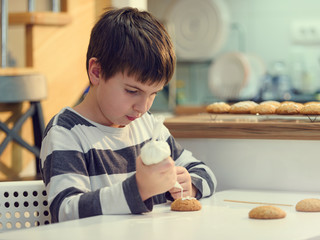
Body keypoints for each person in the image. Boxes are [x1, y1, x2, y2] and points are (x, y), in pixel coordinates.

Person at [40, 7, 217, 223]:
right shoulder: (66, 132)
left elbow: (205, 172)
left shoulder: (149, 127)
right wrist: (138, 190)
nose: (142, 107)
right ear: (96, 72)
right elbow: (66, 211)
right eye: (132, 91)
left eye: (153, 94)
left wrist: (191, 185)